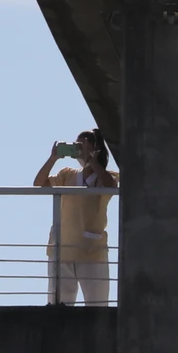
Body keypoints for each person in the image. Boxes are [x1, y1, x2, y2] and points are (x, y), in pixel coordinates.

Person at [35, 128, 120, 306]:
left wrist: (92, 160)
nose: (78, 151)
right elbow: (39, 183)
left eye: (82, 146)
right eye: (77, 146)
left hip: (91, 251)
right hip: (62, 250)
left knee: (97, 307)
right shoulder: (67, 175)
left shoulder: (106, 177)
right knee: (58, 308)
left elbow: (110, 186)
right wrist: (53, 158)